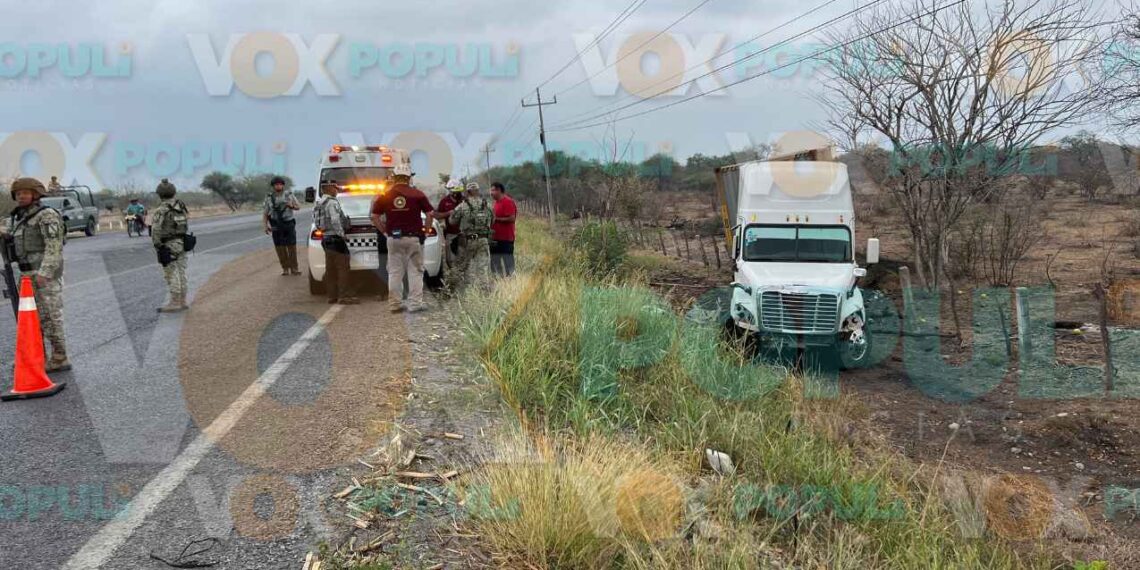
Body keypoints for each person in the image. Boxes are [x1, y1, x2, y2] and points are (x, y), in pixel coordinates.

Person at [0, 177, 70, 371]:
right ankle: (37, 357)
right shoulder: (17, 218)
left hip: (44, 275)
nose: (21, 196)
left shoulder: (46, 215)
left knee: (50, 316)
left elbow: (54, 247)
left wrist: (45, 272)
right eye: (18, 193)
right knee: (31, 320)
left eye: (26, 192)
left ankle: (59, 357)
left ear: (36, 194)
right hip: (25, 275)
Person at [370, 163, 434, 313]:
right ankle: (415, 304)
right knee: (415, 271)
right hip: (414, 238)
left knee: (394, 272)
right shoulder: (418, 194)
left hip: (394, 239)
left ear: (394, 177)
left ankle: (395, 304)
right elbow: (430, 214)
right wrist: (426, 231)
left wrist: (385, 232)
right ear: (408, 178)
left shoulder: (385, 195)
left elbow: (374, 217)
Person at [151, 179, 190, 313]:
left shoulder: (161, 210)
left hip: (168, 244)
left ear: (160, 194)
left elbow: (155, 229)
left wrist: (158, 245)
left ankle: (174, 302)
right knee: (181, 272)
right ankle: (183, 301)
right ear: (173, 193)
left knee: (171, 273)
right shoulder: (181, 206)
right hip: (182, 242)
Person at [315, 182, 358, 305]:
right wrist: (341, 234)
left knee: (330, 269)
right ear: (329, 189)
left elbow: (317, 221)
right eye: (335, 188)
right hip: (335, 239)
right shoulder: (332, 202)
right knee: (343, 268)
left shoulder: (319, 203)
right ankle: (343, 296)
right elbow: (335, 220)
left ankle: (331, 296)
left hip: (326, 238)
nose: (337, 190)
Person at [448, 182, 493, 291]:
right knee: (482, 268)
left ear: (467, 192)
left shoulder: (462, 206)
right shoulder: (487, 204)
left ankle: (452, 290)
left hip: (467, 241)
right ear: (478, 191)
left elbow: (452, 221)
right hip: (483, 240)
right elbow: (492, 220)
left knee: (460, 266)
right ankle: (485, 292)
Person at [263, 175, 301, 276]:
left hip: (288, 223)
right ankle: (285, 268)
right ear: (273, 186)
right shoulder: (269, 197)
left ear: (283, 185)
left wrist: (291, 206)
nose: (278, 186)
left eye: (280, 184)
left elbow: (298, 207)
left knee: (291, 246)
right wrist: (265, 225)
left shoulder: (289, 195)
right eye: (276, 184)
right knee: (279, 247)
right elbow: (266, 213)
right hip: (275, 223)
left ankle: (294, 268)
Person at [435, 179, 465, 277]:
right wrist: (448, 213)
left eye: (457, 191)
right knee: (450, 259)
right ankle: (454, 276)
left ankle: (462, 276)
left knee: (463, 256)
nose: (455, 193)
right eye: (453, 191)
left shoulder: (465, 200)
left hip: (464, 234)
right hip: (450, 234)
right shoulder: (444, 201)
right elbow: (437, 215)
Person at [489, 182, 517, 276]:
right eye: (491, 190)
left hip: (506, 239)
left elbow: (512, 218)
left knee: (508, 263)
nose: (491, 193)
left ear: (499, 190)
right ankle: (499, 282)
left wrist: (497, 219)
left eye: (493, 190)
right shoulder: (496, 203)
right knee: (495, 263)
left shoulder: (508, 201)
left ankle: (511, 283)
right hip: (495, 238)